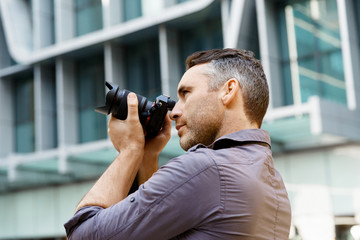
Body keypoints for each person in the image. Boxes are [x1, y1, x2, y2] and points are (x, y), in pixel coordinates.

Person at [64, 48, 291, 239]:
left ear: (228, 91)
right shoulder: (274, 185)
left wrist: (129, 150)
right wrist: (147, 157)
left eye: (186, 94)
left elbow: (82, 234)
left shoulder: (207, 169)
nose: (175, 112)